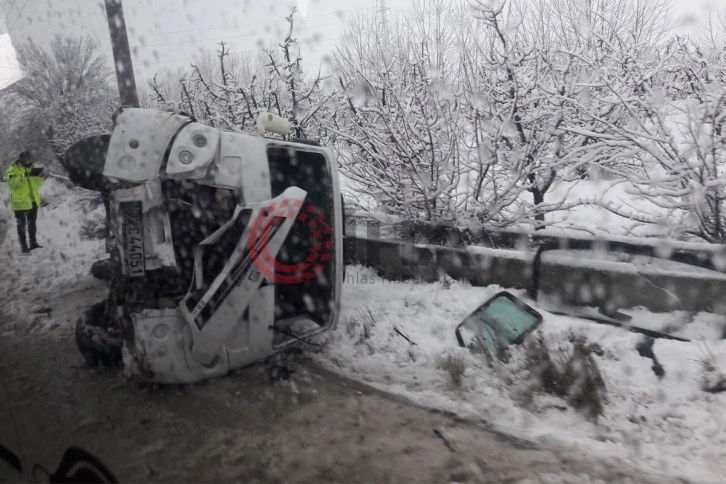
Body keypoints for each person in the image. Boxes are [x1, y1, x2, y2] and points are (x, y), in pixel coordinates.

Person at [4, 151, 45, 253]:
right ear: (20, 158)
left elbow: (37, 184)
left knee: (32, 224)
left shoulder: (31, 168)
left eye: (29, 158)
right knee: (21, 225)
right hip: (20, 202)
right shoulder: (12, 169)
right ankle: (24, 247)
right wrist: (24, 176)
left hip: (32, 201)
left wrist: (40, 176)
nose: (27, 160)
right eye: (25, 158)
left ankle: (33, 243)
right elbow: (12, 183)